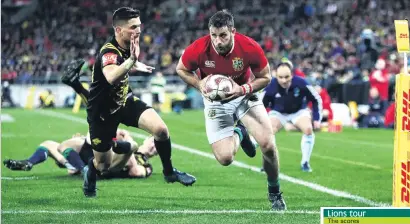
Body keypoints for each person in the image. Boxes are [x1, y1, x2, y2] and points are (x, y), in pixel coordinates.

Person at [67, 7, 196, 197]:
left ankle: (169, 173)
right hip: (102, 112)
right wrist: (132, 61)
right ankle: (90, 171)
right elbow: (111, 76)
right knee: (103, 166)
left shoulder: (128, 44)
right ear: (118, 30)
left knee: (161, 130)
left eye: (139, 26)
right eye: (133, 27)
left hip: (124, 101)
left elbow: (125, 60)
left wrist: (135, 63)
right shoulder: (108, 52)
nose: (139, 30)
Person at [176, 9, 285, 210]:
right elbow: (181, 69)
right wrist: (199, 84)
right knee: (225, 158)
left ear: (233, 32)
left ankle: (275, 192)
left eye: (223, 35)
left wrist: (243, 88)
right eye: (214, 35)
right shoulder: (199, 48)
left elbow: (266, 77)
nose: (218, 41)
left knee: (268, 145)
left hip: (244, 95)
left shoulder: (249, 47)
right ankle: (240, 133)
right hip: (215, 101)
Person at [3, 129, 156, 179]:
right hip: (96, 156)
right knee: (49, 144)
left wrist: (127, 138)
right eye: (153, 142)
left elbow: (135, 171)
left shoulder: (147, 165)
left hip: (109, 167)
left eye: (157, 148)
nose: (154, 147)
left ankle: (81, 166)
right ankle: (29, 162)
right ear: (147, 139)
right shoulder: (125, 138)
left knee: (131, 146)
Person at [263, 60, 322, 173]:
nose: (284, 80)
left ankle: (305, 162)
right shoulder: (270, 86)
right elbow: (260, 105)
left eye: (287, 77)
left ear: (292, 75)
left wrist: (317, 118)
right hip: (278, 113)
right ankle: (268, 162)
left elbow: (316, 99)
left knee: (308, 129)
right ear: (276, 75)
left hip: (298, 112)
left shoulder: (301, 83)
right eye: (280, 77)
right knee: (269, 131)